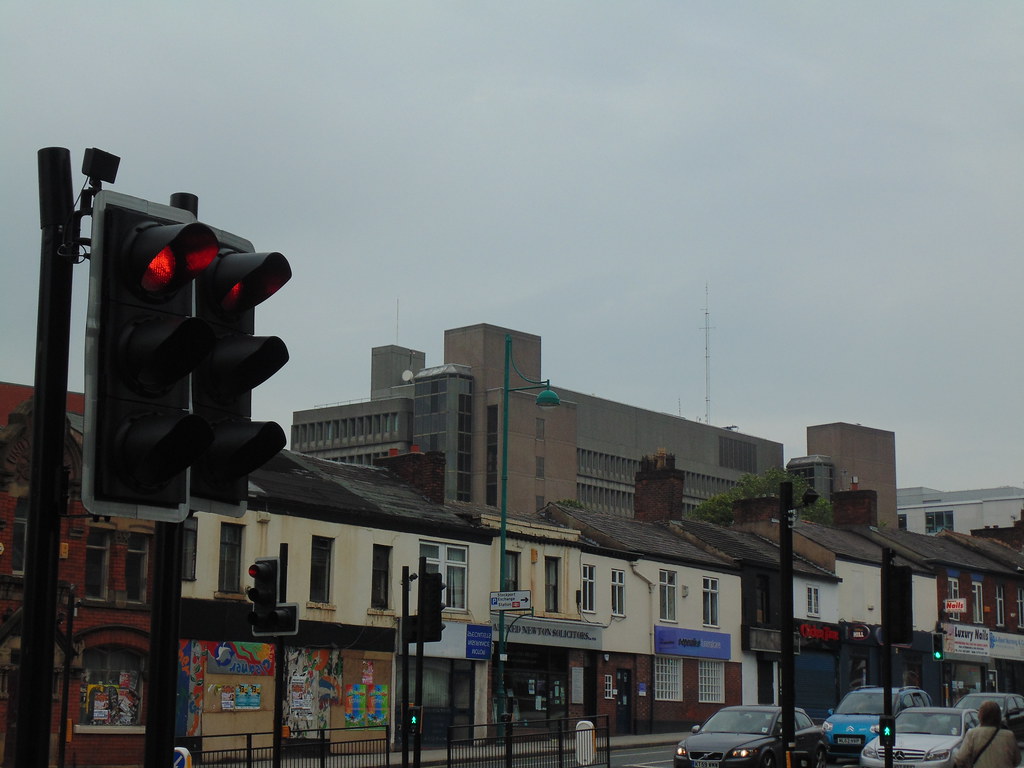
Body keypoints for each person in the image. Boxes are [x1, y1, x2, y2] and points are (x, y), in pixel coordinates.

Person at [954, 700, 1021, 768]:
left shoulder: (972, 734)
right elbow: (1017, 760)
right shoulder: (1009, 736)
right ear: (998, 716)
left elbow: (960, 759)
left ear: (980, 716)